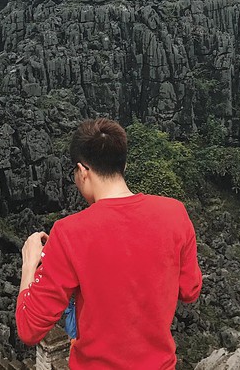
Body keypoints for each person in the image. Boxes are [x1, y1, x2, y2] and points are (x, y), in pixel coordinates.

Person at [16, 118, 202, 369]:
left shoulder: (68, 233)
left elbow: (29, 329)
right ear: (123, 164)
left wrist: (30, 265)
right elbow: (190, 291)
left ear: (82, 171)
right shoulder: (176, 213)